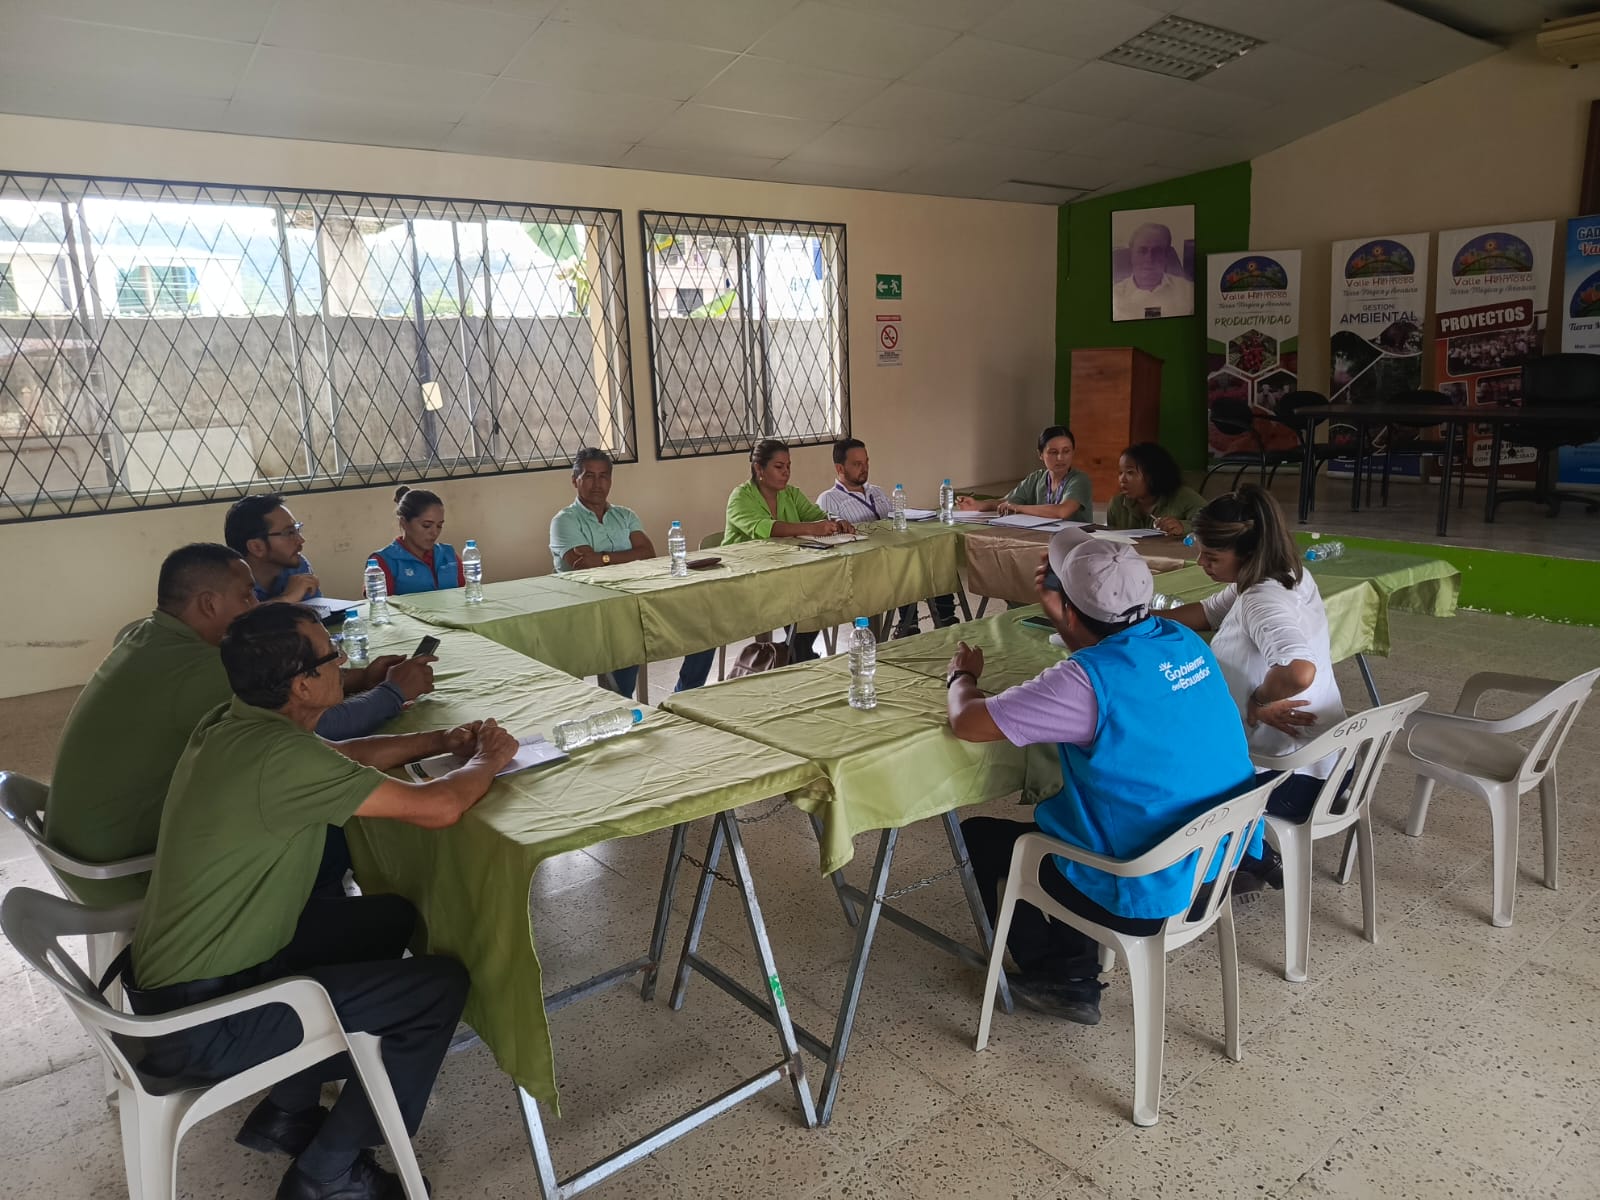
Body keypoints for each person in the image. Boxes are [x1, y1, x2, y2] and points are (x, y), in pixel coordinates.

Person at [126, 603, 518, 1200]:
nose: (342, 662)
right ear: (303, 684)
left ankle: (288, 1110)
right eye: (331, 656)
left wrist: (441, 740)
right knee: (437, 989)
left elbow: (343, 758)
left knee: (389, 918)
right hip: (201, 1022)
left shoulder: (236, 723)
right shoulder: (277, 757)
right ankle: (329, 1171)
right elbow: (439, 808)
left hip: (188, 978)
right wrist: (491, 758)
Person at [948, 529, 1254, 1024]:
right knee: (1073, 821)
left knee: (980, 839)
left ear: (1071, 612)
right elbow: (1102, 648)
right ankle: (1070, 961)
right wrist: (1063, 612)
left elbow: (968, 722)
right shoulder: (1180, 639)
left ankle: (1065, 978)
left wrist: (961, 676)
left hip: (1147, 888)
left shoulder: (1085, 681)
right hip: (1216, 862)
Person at [44, 544, 435, 905]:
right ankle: (323, 926)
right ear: (209, 604)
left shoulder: (149, 636)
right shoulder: (204, 668)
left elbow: (284, 688)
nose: (256, 606)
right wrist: (392, 693)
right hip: (125, 869)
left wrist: (358, 678)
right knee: (328, 821)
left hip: (81, 849)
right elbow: (322, 733)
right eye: (247, 596)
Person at [1163, 486, 1347, 895]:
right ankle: (1245, 857)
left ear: (1247, 554)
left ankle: (1247, 858)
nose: (1201, 563)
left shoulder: (1262, 600)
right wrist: (1141, 619)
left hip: (1290, 778)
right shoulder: (1284, 575)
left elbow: (1299, 671)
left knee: (1163, 777)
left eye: (1212, 557)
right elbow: (1208, 612)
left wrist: (1259, 700)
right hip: (1328, 766)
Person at [549, 448, 715, 696]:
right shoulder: (564, 521)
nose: (597, 484)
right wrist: (626, 555)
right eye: (589, 476)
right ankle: (622, 703)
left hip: (637, 599)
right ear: (575, 480)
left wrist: (602, 557)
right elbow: (584, 564)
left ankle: (684, 697)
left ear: (611, 480)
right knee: (626, 640)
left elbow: (647, 553)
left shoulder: (625, 515)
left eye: (604, 476)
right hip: (592, 610)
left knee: (705, 628)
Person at [725, 439, 854, 662]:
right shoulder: (741, 497)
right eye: (779, 467)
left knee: (820, 587)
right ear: (759, 469)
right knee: (801, 593)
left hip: (785, 572)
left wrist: (836, 521)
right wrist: (811, 528)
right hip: (745, 577)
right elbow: (766, 529)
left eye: (788, 466)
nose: (786, 472)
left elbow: (817, 515)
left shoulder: (790, 494)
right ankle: (797, 654)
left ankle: (795, 652)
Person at [817, 437, 957, 638]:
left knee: (933, 554)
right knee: (906, 565)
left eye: (866, 462)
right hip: (864, 568)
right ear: (840, 468)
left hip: (894, 558)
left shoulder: (878, 492)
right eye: (857, 464)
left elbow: (897, 523)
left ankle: (946, 617)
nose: (865, 468)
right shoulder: (828, 499)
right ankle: (909, 623)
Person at [956, 426, 1091, 521]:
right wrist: (976, 505)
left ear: (1073, 452)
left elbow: (1062, 511)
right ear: (1040, 454)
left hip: (1075, 543)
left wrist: (1019, 508)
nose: (1060, 458)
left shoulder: (1079, 479)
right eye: (1053, 452)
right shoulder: (1036, 478)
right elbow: (1006, 502)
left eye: (1066, 451)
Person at [225, 494, 321, 603]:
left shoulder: (297, 567)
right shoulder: (227, 583)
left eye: (297, 529)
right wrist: (287, 598)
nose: (301, 540)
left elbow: (316, 611)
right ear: (257, 547)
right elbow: (241, 614)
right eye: (289, 533)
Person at [370, 486, 464, 595]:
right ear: (404, 523)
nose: (434, 532)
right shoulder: (384, 562)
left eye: (439, 526)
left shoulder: (448, 555)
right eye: (426, 525)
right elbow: (377, 604)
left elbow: (466, 595)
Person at [1105, 442, 1208, 536]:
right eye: (1120, 472)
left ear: (1153, 474)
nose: (1122, 479)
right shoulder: (1117, 504)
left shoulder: (1184, 496)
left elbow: (1211, 524)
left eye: (1130, 472)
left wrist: (1182, 527)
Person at [1113, 222, 1193, 321]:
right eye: (1142, 251)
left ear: (1166, 255)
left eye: (1157, 251)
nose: (1149, 259)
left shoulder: (1188, 290)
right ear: (1131, 254)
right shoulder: (1115, 295)